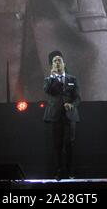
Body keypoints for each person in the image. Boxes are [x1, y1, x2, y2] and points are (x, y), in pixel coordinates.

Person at [43, 51, 80, 179]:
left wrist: (72, 105)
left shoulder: (72, 79)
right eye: (54, 61)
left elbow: (77, 97)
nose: (57, 62)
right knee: (57, 144)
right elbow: (48, 91)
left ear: (64, 63)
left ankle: (70, 170)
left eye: (59, 60)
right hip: (55, 115)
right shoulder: (48, 80)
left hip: (70, 115)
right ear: (51, 65)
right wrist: (53, 77)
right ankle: (59, 170)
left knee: (69, 143)